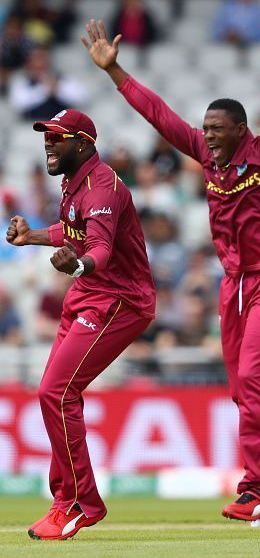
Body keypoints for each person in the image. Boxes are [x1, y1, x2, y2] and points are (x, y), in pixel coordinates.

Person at [81, 13, 260, 522]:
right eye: (206, 130)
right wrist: (115, 72)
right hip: (235, 285)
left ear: (241, 130)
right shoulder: (206, 156)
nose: (208, 138)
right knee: (243, 392)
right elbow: (160, 116)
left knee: (256, 380)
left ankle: (255, 488)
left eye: (218, 131)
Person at [6, 108, 156, 540]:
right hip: (89, 295)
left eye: (58, 136)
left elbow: (100, 249)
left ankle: (81, 503)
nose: (49, 143)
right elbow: (72, 229)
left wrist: (78, 267)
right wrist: (31, 236)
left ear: (85, 144)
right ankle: (63, 501)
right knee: (53, 391)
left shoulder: (102, 186)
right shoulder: (76, 182)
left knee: (56, 390)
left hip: (119, 300)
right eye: (47, 136)